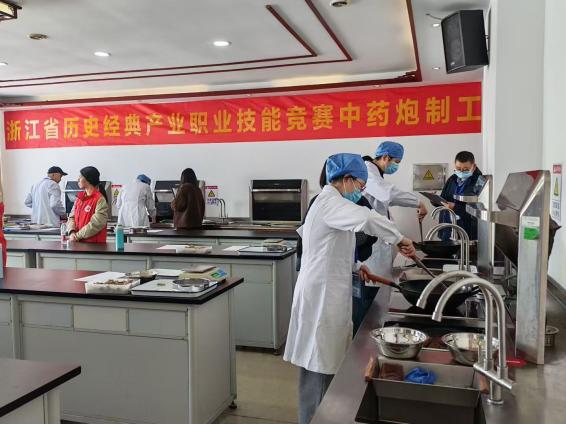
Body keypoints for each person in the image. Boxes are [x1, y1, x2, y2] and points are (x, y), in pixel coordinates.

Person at [283, 153, 416, 424]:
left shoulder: (331, 204)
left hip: (326, 289)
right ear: (345, 179)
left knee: (320, 363)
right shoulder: (330, 202)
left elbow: (329, 246)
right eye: (359, 185)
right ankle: (313, 419)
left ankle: (315, 417)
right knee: (319, 365)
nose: (360, 192)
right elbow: (367, 218)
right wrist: (399, 238)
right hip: (322, 296)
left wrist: (355, 266)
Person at [362, 141, 427, 313]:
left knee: (377, 292)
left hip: (378, 241)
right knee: (371, 295)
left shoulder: (375, 174)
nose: (396, 166)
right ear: (385, 157)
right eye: (396, 162)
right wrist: (418, 202)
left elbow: (382, 207)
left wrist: (396, 237)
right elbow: (388, 194)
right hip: (370, 245)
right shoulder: (368, 172)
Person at [439, 151, 483, 240]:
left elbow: (479, 210)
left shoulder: (480, 182)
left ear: (474, 166)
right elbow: (444, 198)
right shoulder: (452, 179)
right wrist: (434, 200)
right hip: (448, 227)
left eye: (466, 169)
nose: (461, 172)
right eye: (458, 168)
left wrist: (456, 207)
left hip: (467, 230)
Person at [67, 166, 108, 243]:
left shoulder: (100, 199)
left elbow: (96, 224)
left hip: (94, 246)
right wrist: (72, 232)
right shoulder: (79, 198)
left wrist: (77, 236)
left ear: (89, 180)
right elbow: (72, 217)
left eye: (80, 177)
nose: (78, 179)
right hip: (78, 243)